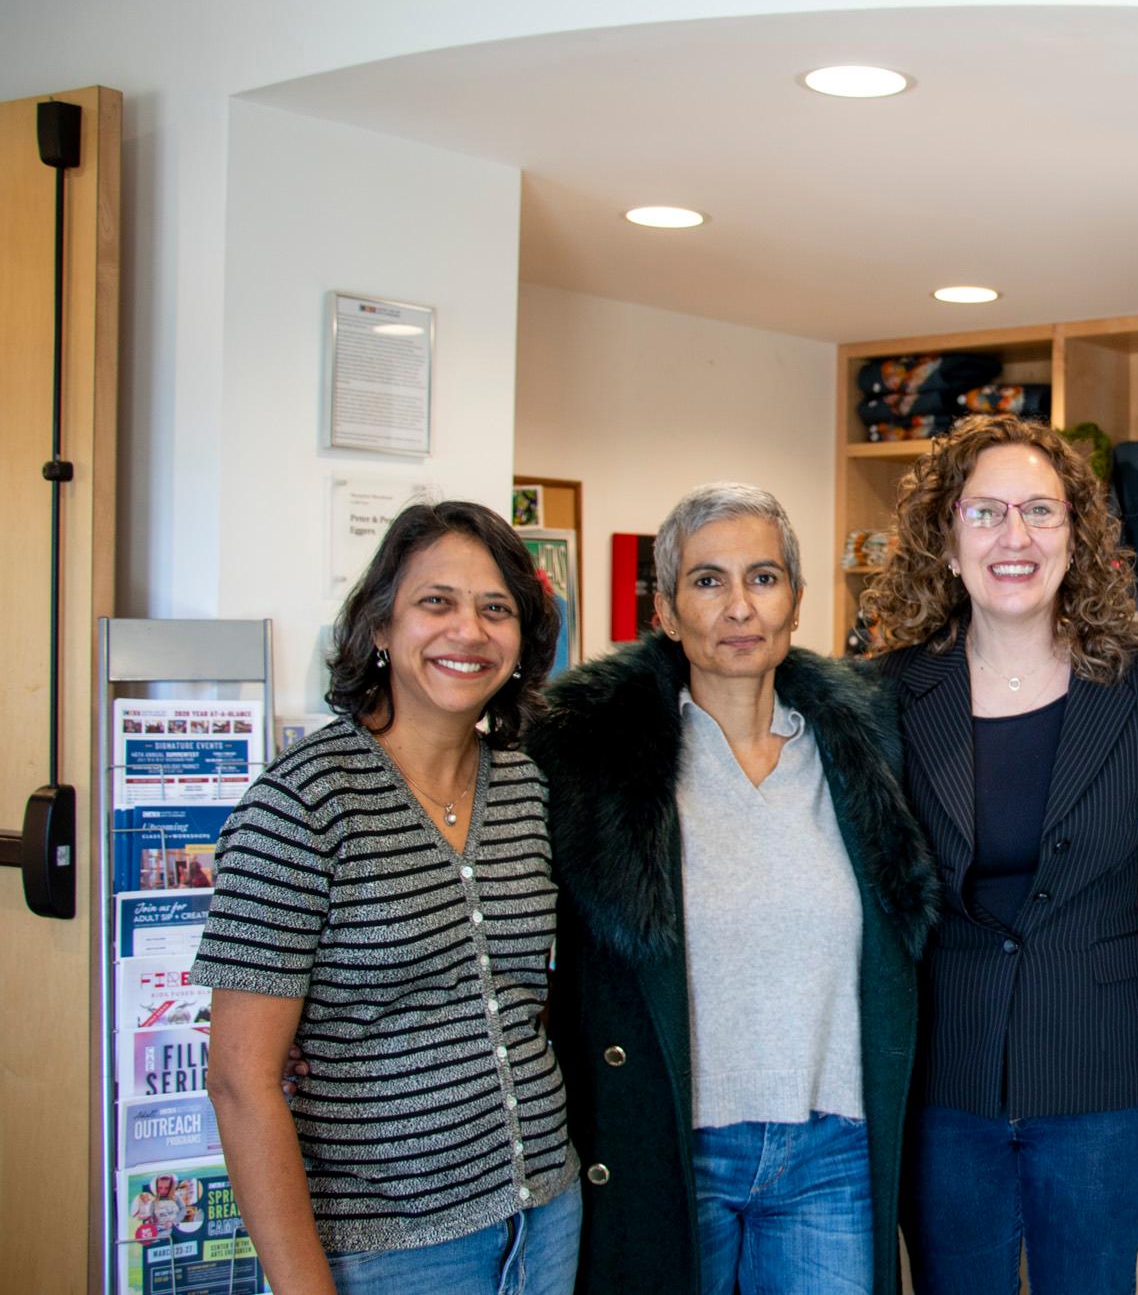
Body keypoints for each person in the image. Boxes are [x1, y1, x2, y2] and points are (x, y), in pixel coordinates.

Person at [525, 483, 938, 1295]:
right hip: (675, 1148)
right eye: (708, 580)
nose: (740, 606)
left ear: (796, 601)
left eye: (764, 577)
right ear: (667, 611)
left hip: (831, 1151)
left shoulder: (864, 742)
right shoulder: (594, 757)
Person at [194, 500, 579, 1295]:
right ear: (380, 626)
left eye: (496, 609)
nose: (468, 631)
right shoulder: (300, 803)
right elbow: (239, 1081)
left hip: (547, 1217)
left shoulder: (527, 786)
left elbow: (521, 990)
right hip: (390, 1248)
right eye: (436, 601)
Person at [861, 415, 1138, 1295]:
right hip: (945, 1076)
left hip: (1098, 1071)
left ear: (1075, 534)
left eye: (1041, 510)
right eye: (986, 512)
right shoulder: (887, 692)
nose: (1016, 536)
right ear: (946, 539)